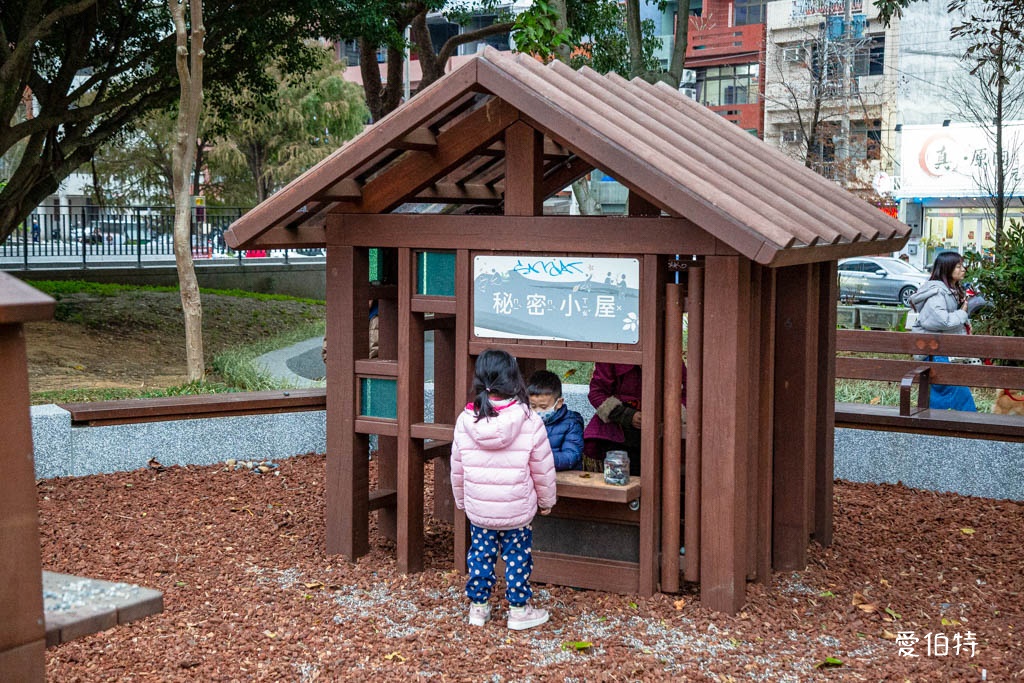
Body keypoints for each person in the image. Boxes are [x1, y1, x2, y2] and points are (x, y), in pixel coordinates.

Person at [450, 350, 556, 631]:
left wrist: (462, 500)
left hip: (480, 511)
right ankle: (519, 611)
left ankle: (478, 608)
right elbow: (542, 469)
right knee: (518, 557)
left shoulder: (466, 420)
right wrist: (546, 501)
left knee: (480, 556)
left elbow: (457, 468)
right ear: (514, 380)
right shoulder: (529, 419)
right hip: (517, 510)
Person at [582, 362, 687, 477]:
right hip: (617, 433)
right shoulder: (612, 356)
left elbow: (686, 393)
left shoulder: (669, 357)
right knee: (619, 482)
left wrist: (664, 414)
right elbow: (597, 394)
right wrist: (627, 415)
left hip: (659, 434)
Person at [908, 250, 977, 411]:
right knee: (957, 391)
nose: (963, 269)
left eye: (962, 266)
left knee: (947, 392)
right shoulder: (937, 292)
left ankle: (938, 424)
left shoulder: (951, 290)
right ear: (947, 269)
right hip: (935, 352)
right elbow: (941, 320)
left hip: (943, 351)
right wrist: (963, 313)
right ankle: (970, 424)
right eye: (958, 266)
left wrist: (964, 321)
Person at [527, 369, 584, 471]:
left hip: (562, 475)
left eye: (543, 407)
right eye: (533, 406)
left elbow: (571, 456)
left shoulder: (571, 423)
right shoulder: (525, 419)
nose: (537, 411)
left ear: (558, 403)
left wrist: (540, 459)